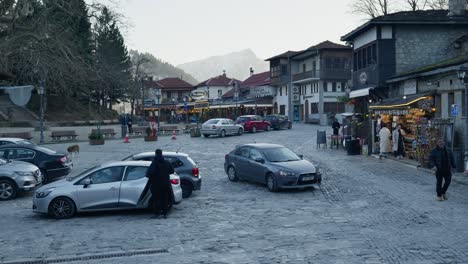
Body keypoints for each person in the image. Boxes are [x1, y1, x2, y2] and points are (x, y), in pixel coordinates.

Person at [145, 149, 174, 218]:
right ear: (161, 154)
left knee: (157, 199)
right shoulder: (167, 162)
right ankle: (165, 213)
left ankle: (157, 213)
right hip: (166, 184)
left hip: (156, 184)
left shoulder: (154, 163)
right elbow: (172, 171)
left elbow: (149, 174)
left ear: (155, 154)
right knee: (165, 198)